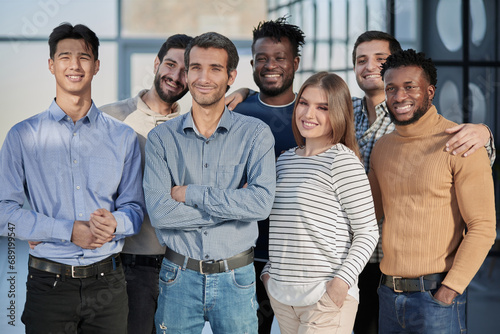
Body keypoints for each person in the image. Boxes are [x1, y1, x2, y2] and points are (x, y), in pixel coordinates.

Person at [0, 23, 144, 333]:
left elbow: (135, 208)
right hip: (47, 286)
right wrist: (66, 231)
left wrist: (117, 222)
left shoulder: (123, 138)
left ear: (96, 66)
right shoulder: (22, 136)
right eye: (65, 56)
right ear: (51, 65)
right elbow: (4, 214)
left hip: (109, 285)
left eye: (84, 57)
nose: (75, 65)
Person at [350, 30, 496, 334]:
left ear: (430, 91)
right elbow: (365, 212)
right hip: (387, 294)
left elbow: (482, 227)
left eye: (409, 87)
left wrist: (449, 290)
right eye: (391, 88)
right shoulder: (383, 147)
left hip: (436, 297)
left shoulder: (461, 142)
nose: (399, 96)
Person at [143, 32, 276, 333]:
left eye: (215, 68)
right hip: (177, 277)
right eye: (196, 68)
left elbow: (260, 204)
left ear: (231, 76)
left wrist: (191, 193)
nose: (204, 77)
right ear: (187, 74)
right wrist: (234, 206)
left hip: (236, 279)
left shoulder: (255, 134)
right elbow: (161, 213)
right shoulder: (161, 139)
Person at [261, 71, 378, 334]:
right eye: (304, 103)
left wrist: (340, 284)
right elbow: (282, 222)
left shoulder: (343, 162)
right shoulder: (284, 161)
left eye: (322, 107)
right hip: (282, 297)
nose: (308, 114)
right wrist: (269, 275)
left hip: (324, 299)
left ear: (337, 112)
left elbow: (368, 232)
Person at [99, 33, 193, 334]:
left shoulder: (192, 126)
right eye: (170, 64)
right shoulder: (110, 118)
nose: (175, 76)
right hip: (130, 263)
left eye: (185, 71)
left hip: (180, 265)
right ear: (156, 63)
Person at [230, 16, 305, 333]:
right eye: (262, 58)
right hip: (244, 258)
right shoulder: (235, 111)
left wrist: (480, 131)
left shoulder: (313, 112)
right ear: (251, 63)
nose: (270, 65)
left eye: (279, 58)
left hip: (299, 260)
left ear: (296, 63)